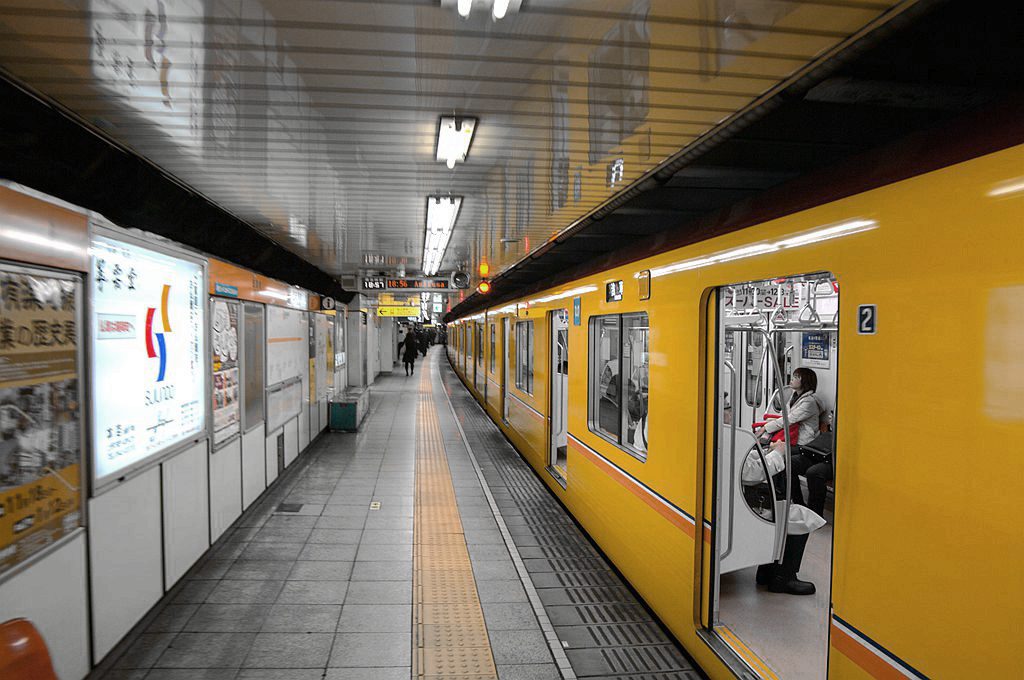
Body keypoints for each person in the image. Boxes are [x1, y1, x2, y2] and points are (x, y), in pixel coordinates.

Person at [753, 367, 825, 596]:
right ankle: (779, 574)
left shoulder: (809, 401)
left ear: (804, 380)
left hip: (805, 446)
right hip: (794, 444)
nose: (792, 380)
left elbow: (789, 419)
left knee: (786, 463)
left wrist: (765, 429)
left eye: (795, 377)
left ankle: (792, 501)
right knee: (778, 461)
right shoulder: (796, 397)